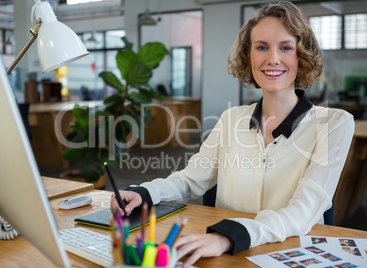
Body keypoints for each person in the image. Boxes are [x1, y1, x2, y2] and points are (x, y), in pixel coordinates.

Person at [110, 1, 354, 267]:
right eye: (262, 47)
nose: (273, 58)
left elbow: (302, 212)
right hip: (227, 256)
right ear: (249, 56)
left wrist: (230, 236)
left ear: (302, 55)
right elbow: (191, 179)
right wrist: (145, 192)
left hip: (286, 255)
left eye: (286, 47)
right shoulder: (231, 119)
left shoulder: (334, 124)